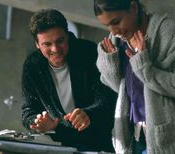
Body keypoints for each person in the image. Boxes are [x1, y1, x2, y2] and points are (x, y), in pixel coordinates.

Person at [93, 0, 175, 154]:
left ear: (133, 7)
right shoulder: (116, 41)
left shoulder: (168, 33)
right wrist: (109, 66)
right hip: (137, 138)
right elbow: (121, 89)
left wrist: (146, 70)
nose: (114, 31)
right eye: (107, 25)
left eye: (116, 21)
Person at [21, 9, 116, 152]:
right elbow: (28, 111)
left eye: (60, 41)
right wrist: (38, 122)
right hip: (59, 145)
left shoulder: (90, 52)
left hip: (99, 141)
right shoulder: (32, 65)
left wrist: (89, 114)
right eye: (47, 44)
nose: (55, 49)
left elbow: (110, 98)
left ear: (68, 35)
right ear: (37, 44)